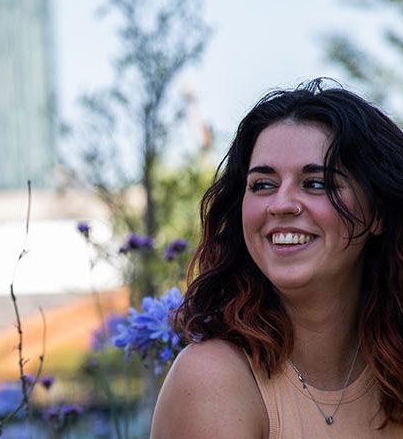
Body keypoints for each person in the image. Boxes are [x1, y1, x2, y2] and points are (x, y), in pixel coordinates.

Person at [151, 79, 403, 438]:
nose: (282, 203)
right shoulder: (213, 378)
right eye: (263, 184)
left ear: (377, 212)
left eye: (316, 183)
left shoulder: (392, 368)